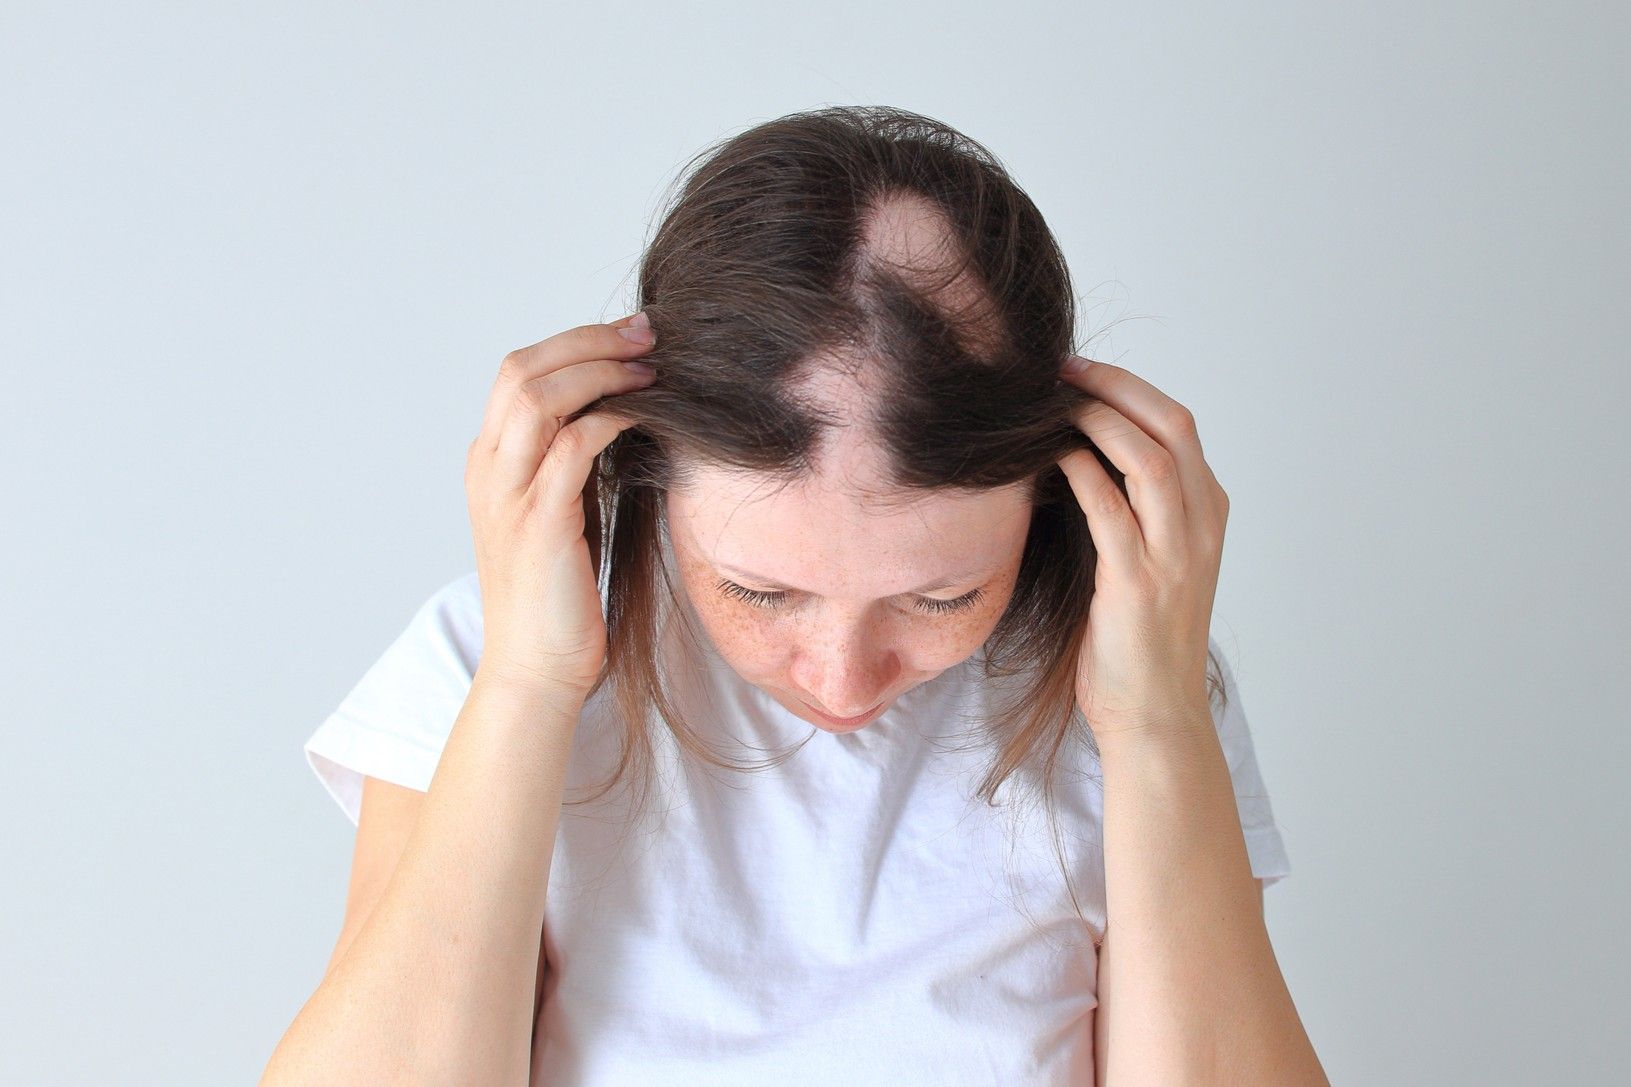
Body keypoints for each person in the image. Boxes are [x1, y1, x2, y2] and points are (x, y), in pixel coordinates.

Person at [261, 106, 1327, 1085]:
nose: (843, 678)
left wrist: (1156, 725)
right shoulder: (481, 658)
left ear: (1053, 498)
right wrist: (530, 683)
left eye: (941, 597)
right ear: (648, 473)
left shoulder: (1132, 683)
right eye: (760, 592)